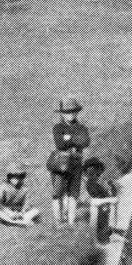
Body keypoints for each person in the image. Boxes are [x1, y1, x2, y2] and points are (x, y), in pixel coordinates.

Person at [48, 97, 91, 227]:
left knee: (73, 194)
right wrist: (75, 139)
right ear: (62, 113)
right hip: (61, 165)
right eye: (67, 112)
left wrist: (68, 138)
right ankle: (58, 222)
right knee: (57, 194)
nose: (70, 114)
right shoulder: (58, 127)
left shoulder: (82, 127)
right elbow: (60, 144)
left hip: (76, 164)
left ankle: (71, 224)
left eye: (73, 112)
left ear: (77, 112)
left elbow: (85, 142)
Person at [81, 155, 123, 244]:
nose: (97, 175)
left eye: (97, 173)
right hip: (99, 211)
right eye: (92, 173)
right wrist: (109, 200)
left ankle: (110, 231)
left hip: (104, 211)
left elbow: (109, 196)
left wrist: (112, 188)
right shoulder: (90, 185)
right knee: (103, 211)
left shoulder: (96, 184)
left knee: (108, 209)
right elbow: (93, 200)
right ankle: (105, 234)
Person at [0, 162, 39, 226]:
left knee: (35, 211)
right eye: (14, 176)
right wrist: (8, 212)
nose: (17, 179)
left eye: (20, 176)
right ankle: (16, 222)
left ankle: (12, 222)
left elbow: (27, 203)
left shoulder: (25, 189)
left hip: (19, 212)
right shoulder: (3, 187)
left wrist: (22, 213)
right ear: (9, 177)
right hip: (4, 211)